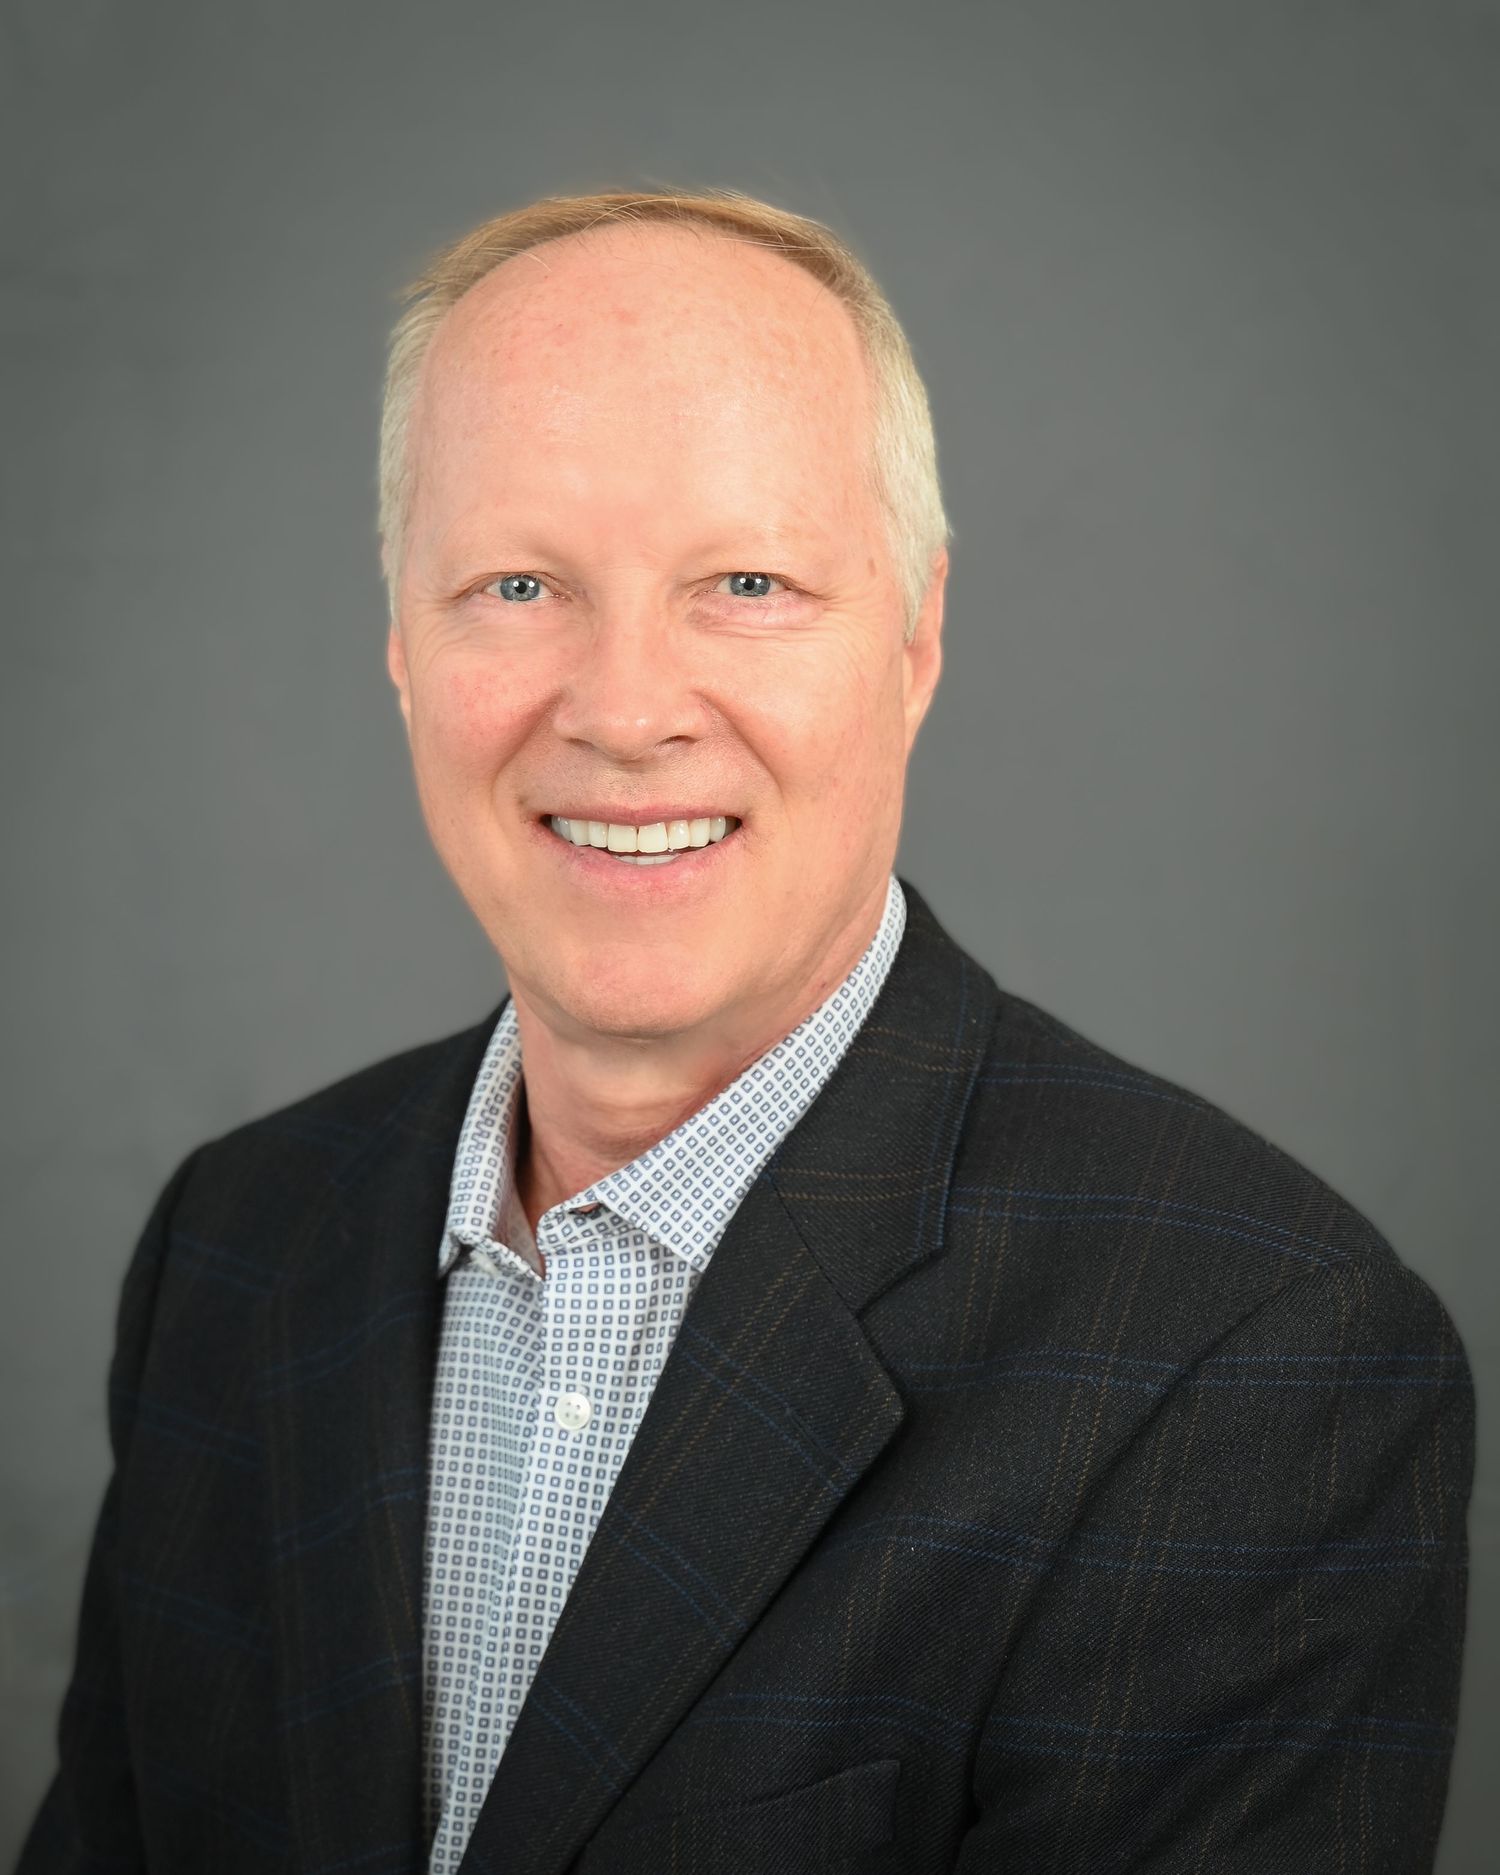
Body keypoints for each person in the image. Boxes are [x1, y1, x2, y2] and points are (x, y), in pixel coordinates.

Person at [18, 188, 1472, 1875]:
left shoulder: (1251, 1362)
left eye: (749, 582)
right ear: (401, 641)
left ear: (916, 639)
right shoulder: (237, 1250)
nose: (627, 710)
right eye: (516, 583)